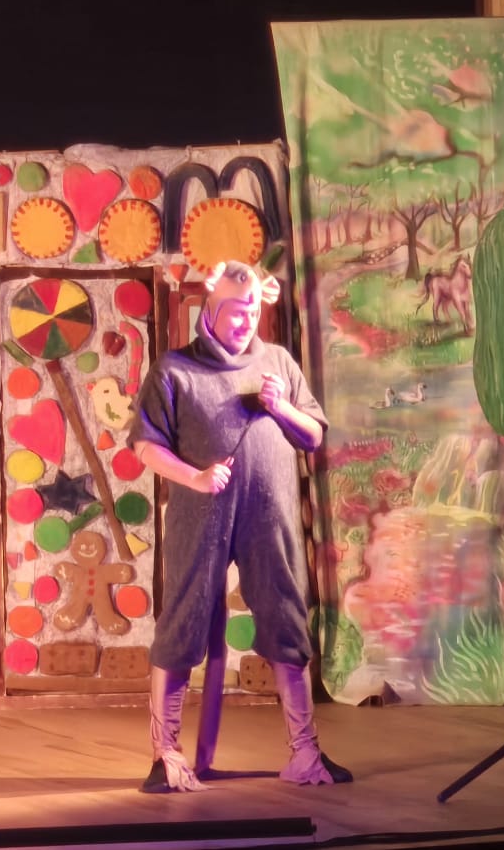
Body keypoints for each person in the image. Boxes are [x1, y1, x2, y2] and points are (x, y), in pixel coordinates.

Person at [127, 261, 352, 793]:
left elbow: (313, 435)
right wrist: (195, 477)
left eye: (252, 313)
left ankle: (305, 752)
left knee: (286, 619)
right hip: (201, 515)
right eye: (234, 312)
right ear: (211, 309)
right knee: (183, 622)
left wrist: (281, 407)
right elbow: (145, 446)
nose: (245, 322)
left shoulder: (278, 362)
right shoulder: (175, 370)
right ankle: (166, 754)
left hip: (269, 517)